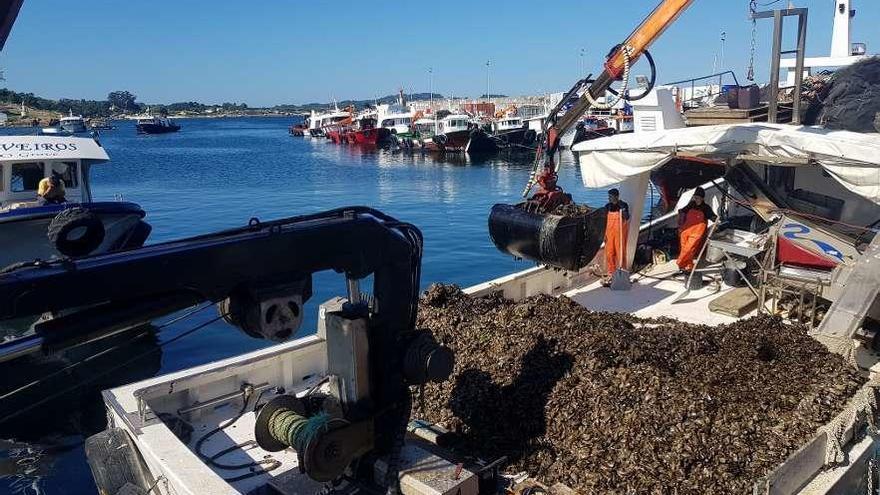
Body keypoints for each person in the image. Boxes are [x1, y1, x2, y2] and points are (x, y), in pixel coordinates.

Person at [677, 187, 717, 273]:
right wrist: (680, 222)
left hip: (696, 233)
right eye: (694, 197)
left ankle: (680, 263)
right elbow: (682, 211)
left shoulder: (706, 208)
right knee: (684, 247)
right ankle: (688, 265)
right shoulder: (691, 204)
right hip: (686, 230)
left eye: (697, 197)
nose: (695, 199)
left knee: (689, 249)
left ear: (702, 198)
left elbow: (714, 217)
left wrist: (718, 220)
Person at [603, 188, 630, 284]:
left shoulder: (623, 205)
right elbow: (603, 222)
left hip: (620, 234)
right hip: (609, 234)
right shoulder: (607, 207)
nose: (609, 198)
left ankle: (622, 272)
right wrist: (603, 235)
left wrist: (623, 210)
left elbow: (627, 217)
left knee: (620, 253)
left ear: (616, 196)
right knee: (609, 253)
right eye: (608, 196)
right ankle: (611, 273)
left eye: (610, 196)